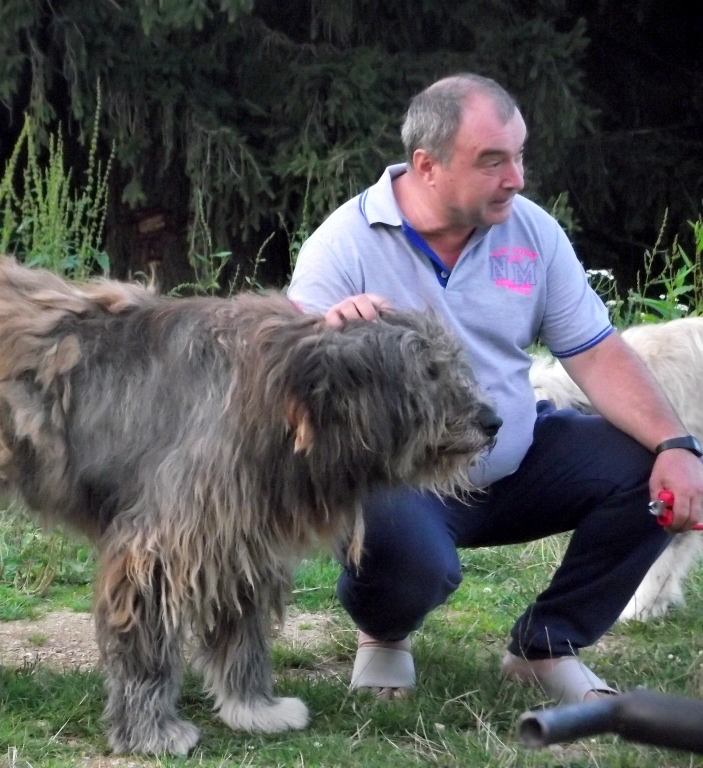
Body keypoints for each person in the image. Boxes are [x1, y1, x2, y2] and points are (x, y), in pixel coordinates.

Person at [287, 73, 703, 704]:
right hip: (403, 481)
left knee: (655, 470)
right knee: (412, 560)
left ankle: (546, 647)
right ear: (427, 165)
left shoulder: (532, 232)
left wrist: (675, 444)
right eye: (492, 161)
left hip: (515, 458)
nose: (517, 178)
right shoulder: (343, 244)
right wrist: (324, 338)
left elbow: (597, 354)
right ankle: (384, 633)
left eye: (519, 155)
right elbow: (289, 393)